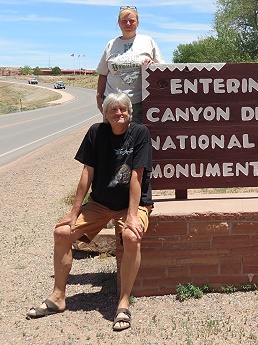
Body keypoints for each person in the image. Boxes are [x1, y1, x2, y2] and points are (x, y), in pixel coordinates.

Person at [26, 92, 153, 332]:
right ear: (105, 113)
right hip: (100, 203)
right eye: (113, 110)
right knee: (62, 233)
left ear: (129, 112)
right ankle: (58, 297)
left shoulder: (139, 133)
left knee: (131, 236)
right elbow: (87, 173)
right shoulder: (96, 132)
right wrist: (74, 212)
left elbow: (137, 175)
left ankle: (123, 303)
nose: (119, 113)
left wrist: (133, 215)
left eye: (123, 109)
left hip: (131, 205)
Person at [96, 5, 165, 123]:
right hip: (113, 103)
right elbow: (103, 74)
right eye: (124, 21)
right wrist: (99, 97)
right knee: (110, 140)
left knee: (137, 139)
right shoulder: (111, 45)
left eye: (132, 21)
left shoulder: (147, 41)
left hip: (140, 103)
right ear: (118, 23)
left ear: (137, 22)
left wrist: (152, 65)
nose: (128, 24)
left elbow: (162, 70)